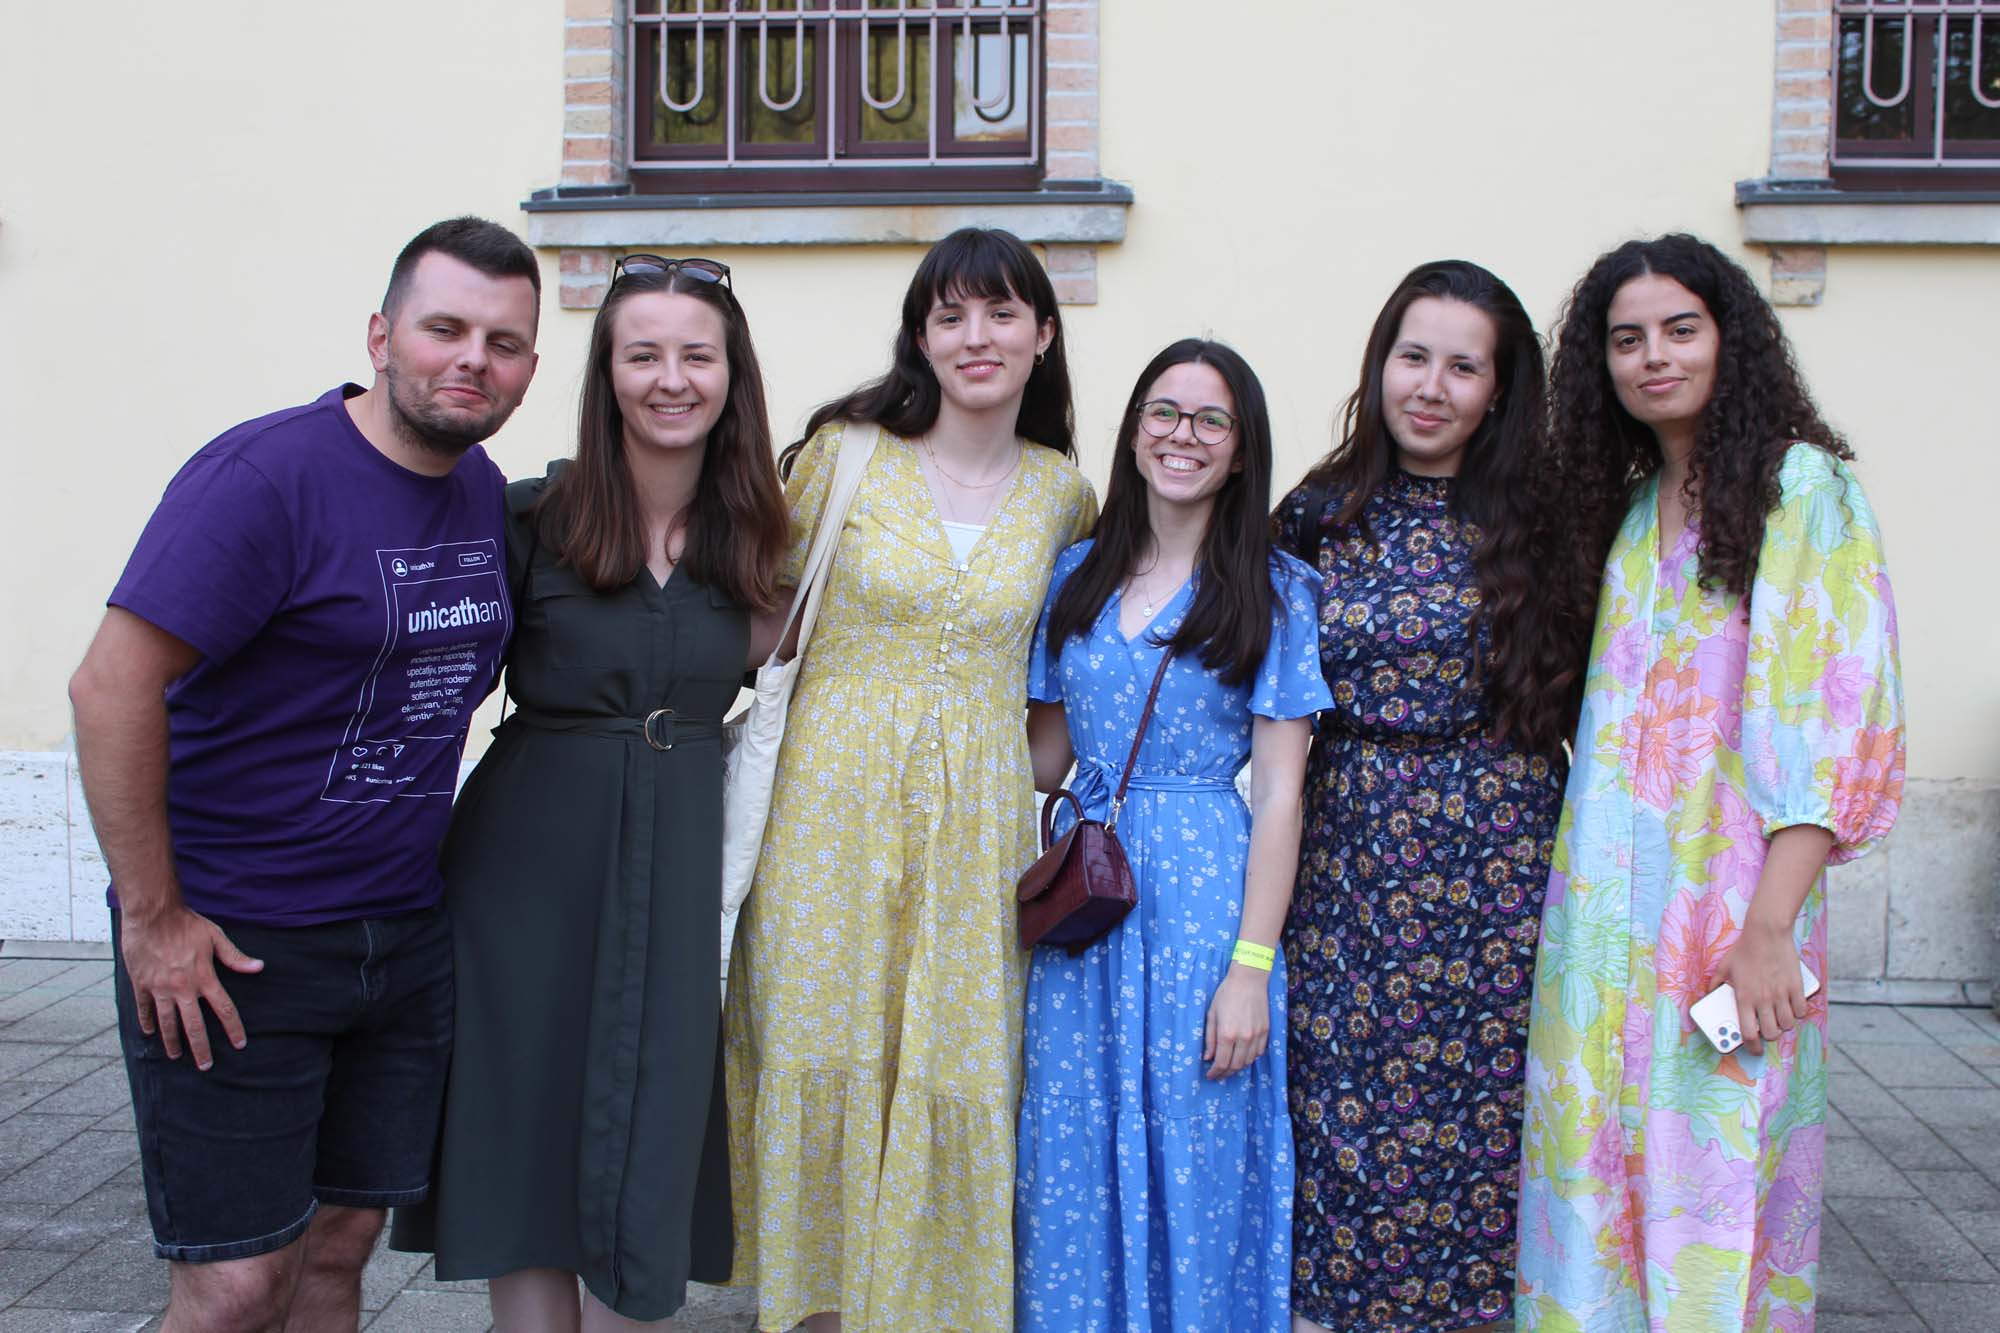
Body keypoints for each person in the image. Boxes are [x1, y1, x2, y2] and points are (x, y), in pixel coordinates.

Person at [67, 217, 541, 1332]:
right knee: (233, 1287)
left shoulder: (480, 489)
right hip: (237, 946)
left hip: (400, 939)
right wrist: (153, 918)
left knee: (338, 1249)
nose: (473, 360)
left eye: (504, 342)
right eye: (444, 329)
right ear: (381, 336)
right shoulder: (266, 479)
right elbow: (110, 688)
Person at [388, 256, 790, 1328]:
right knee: (524, 1131)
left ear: (732, 375)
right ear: (606, 372)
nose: (671, 378)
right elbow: (418, 681)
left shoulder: (764, 540)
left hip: (681, 858)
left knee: (649, 1129)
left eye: (696, 355)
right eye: (642, 353)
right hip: (527, 868)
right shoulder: (530, 520)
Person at [1514, 234, 1904, 1331]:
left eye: (1680, 329)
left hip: (1727, 914)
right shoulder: (1637, 512)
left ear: (1730, 339)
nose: (1654, 357)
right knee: (1587, 1187)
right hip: (1600, 929)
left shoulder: (1800, 489)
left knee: (1714, 1197)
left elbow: (1833, 721)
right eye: (1626, 339)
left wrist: (1769, 927)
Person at [721, 227, 1097, 1332]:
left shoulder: (1063, 498)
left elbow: (1056, 691)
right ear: (920, 337)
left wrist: (1025, 789)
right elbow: (759, 620)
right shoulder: (841, 457)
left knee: (953, 1061)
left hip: (977, 833)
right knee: (821, 1047)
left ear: (1042, 334)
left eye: (1000, 312)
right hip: (824, 817)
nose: (976, 336)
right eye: (950, 314)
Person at [1272, 260, 1594, 1333]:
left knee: (1484, 1120)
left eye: (1463, 366)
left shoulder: (1545, 521)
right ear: (1381, 364)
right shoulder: (1315, 513)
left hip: (1498, 862)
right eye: (1414, 356)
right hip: (1346, 854)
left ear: (1498, 390)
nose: (1431, 386)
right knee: (1341, 1109)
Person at [1014, 339, 1329, 1331]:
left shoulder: (1275, 590)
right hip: (1087, 897)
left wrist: (1250, 968)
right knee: (1072, 1142)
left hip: (1202, 899)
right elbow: (1041, 757)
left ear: (1240, 451)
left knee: (1196, 1147)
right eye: (1163, 411)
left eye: (1209, 419)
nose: (1181, 435)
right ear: (1134, 429)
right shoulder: (1075, 574)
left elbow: (1279, 793)